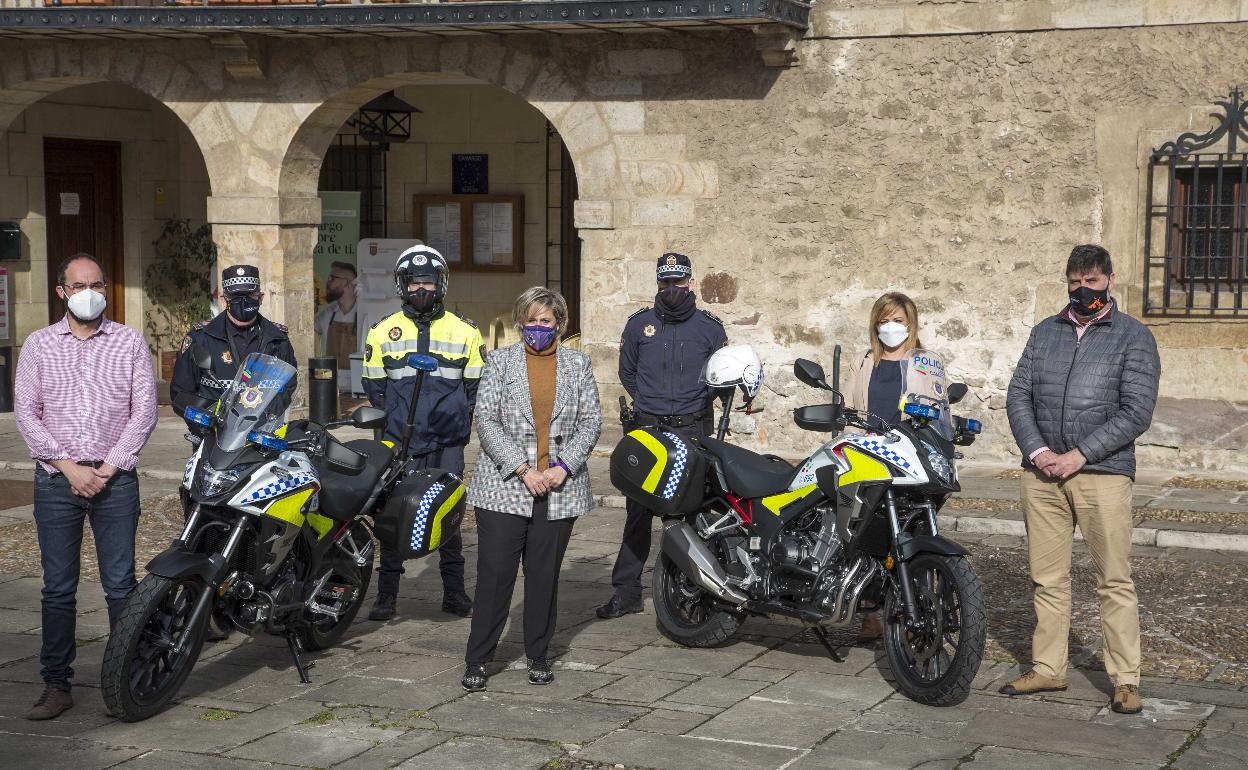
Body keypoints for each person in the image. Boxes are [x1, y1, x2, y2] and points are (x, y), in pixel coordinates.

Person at [1002, 244, 1160, 716]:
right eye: (1075, 281)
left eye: (1092, 282)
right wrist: (1040, 452)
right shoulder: (1044, 332)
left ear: (1110, 281)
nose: (1082, 290)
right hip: (1042, 474)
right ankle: (1049, 668)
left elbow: (1137, 411)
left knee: (1113, 580)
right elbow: (1018, 395)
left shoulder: (1134, 336)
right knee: (1047, 579)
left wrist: (1079, 455)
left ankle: (1126, 679)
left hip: (1103, 475)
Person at [15, 253, 158, 720]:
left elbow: (144, 412)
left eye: (97, 283)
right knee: (58, 588)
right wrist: (67, 466)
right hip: (57, 480)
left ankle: (126, 678)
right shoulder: (38, 345)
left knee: (120, 586)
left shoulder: (130, 342)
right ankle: (56, 684)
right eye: (79, 285)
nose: (89, 292)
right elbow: (27, 412)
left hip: (114, 482)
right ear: (62, 292)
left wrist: (109, 467)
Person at [461, 287, 602, 691]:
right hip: (505, 485)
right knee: (495, 575)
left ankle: (538, 655)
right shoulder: (500, 362)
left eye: (546, 320)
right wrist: (524, 469)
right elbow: (485, 420)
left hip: (559, 488)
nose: (537, 327)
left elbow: (591, 421)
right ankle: (478, 658)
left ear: (559, 323)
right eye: (531, 319)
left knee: (543, 577)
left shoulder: (578, 364)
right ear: (520, 321)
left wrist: (563, 467)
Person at [598, 252, 727, 619]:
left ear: (691, 282)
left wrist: (692, 403)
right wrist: (651, 402)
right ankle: (626, 592)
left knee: (694, 512)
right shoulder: (640, 325)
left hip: (691, 427)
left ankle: (697, 587)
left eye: (678, 282)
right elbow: (628, 373)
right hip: (648, 427)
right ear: (658, 283)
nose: (672, 289)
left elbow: (718, 378)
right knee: (637, 512)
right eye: (665, 283)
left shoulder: (710, 328)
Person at [363, 245, 484, 621]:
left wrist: (450, 417)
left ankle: (454, 593)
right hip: (400, 442)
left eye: (428, 282)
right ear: (402, 286)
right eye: (414, 283)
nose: (421, 290)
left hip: (446, 442)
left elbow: (474, 390)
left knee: (447, 512)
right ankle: (386, 597)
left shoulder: (466, 332)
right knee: (393, 516)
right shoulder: (382, 332)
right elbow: (375, 389)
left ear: (441, 283)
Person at [841, 291, 936, 643]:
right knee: (869, 531)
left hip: (909, 453)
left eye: (897, 320)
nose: (890, 326)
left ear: (910, 323)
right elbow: (850, 408)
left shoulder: (925, 362)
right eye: (884, 320)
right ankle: (869, 609)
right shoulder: (864, 361)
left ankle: (918, 606)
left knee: (914, 530)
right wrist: (854, 445)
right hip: (870, 454)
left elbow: (937, 407)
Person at [170, 264, 297, 427]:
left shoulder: (278, 338)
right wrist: (207, 421)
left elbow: (288, 383)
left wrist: (268, 414)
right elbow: (181, 393)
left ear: (260, 297)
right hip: (215, 435)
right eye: (235, 296)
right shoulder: (200, 338)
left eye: (249, 295)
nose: (242, 302)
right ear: (224, 300)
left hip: (261, 434)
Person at [315, 261, 358, 375]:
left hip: (356, 380)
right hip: (330, 381)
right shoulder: (326, 314)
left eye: (332, 278)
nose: (327, 282)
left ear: (347, 283)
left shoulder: (364, 314)